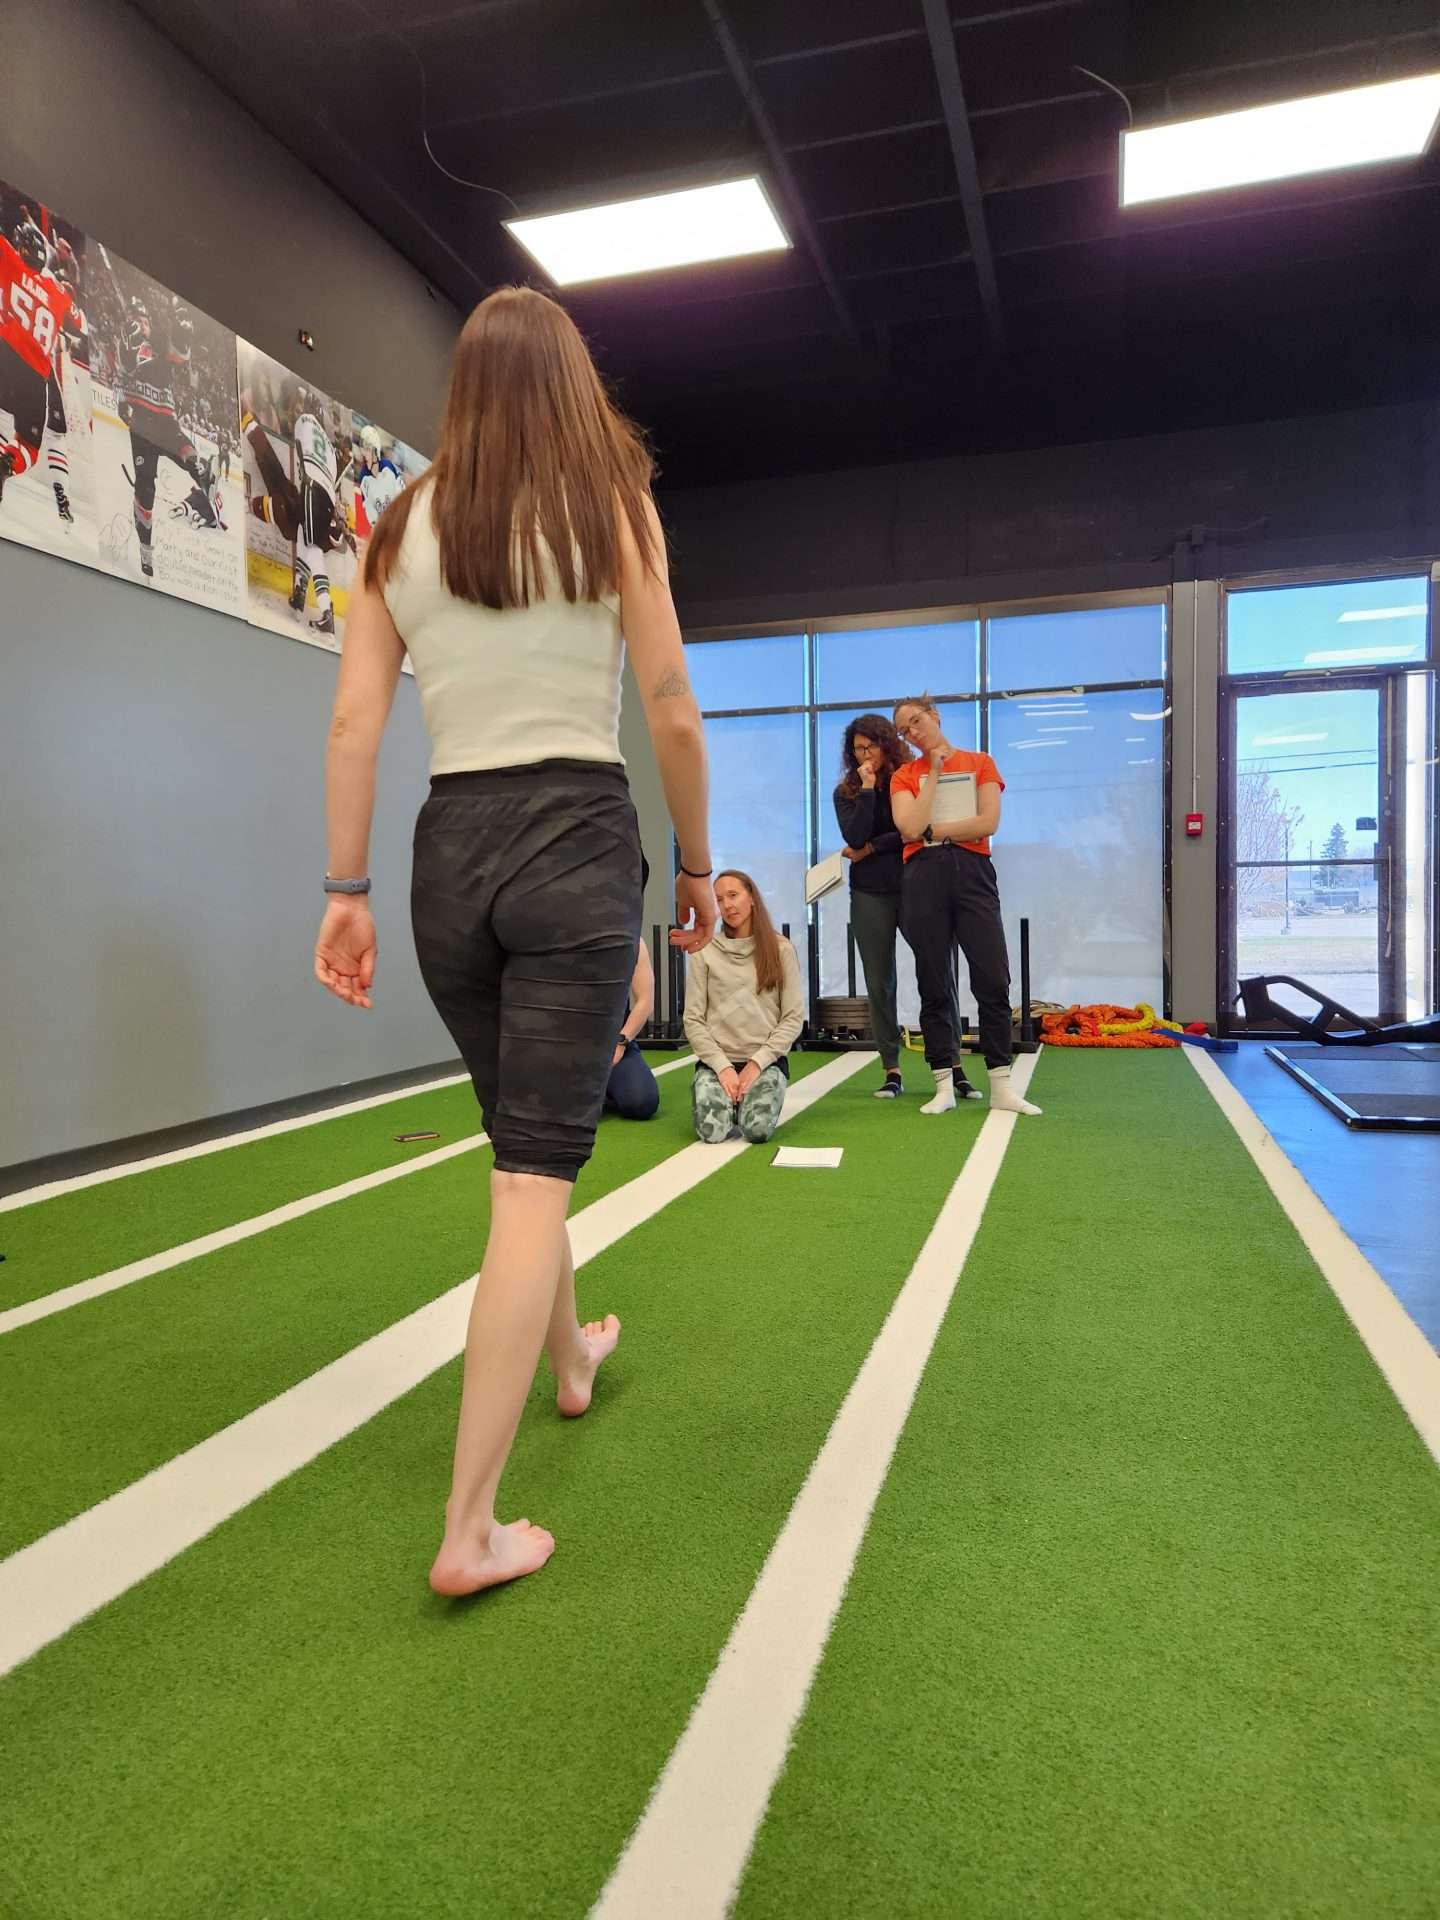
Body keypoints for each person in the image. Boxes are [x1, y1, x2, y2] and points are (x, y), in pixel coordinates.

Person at [312, 285, 714, 1598]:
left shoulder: (396, 526)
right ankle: (468, 1529)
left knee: (521, 1147)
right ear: (570, 384)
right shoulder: (611, 504)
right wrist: (698, 866)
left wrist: (344, 890)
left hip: (448, 858)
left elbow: (357, 731)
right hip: (571, 842)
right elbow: (670, 708)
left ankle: (570, 1359)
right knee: (531, 1182)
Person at [889, 695, 1041, 1117]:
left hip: (974, 873)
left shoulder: (980, 762)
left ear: (935, 715)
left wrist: (936, 829)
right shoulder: (905, 775)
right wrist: (934, 774)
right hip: (923, 877)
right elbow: (908, 827)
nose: (913, 732)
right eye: (905, 730)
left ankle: (1001, 1083)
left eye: (916, 721)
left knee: (992, 976)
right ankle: (943, 1083)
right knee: (934, 980)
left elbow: (988, 822)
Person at [833, 714, 976, 1101]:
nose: (865, 754)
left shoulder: (907, 777)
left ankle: (954, 1064)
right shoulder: (847, 790)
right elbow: (854, 834)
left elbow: (913, 828)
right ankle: (891, 1069)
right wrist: (865, 788)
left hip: (918, 886)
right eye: (858, 749)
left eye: (871, 746)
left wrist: (872, 848)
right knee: (880, 981)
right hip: (869, 895)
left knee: (939, 973)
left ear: (886, 744)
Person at [684, 870, 804, 1143]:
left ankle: (746, 1102)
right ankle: (727, 1100)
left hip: (765, 1064)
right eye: (720, 899)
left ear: (752, 898)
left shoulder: (781, 949)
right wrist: (722, 1067)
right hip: (716, 1065)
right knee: (712, 1133)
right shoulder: (704, 951)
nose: (727, 905)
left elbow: (793, 1017)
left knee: (757, 1130)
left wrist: (756, 1064)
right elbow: (693, 1019)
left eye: (733, 895)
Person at [604, 938, 661, 1120]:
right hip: (564, 1044)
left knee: (642, 1102)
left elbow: (645, 1001)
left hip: (614, 1042)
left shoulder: (633, 940)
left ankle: (600, 1094)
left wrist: (621, 1043)